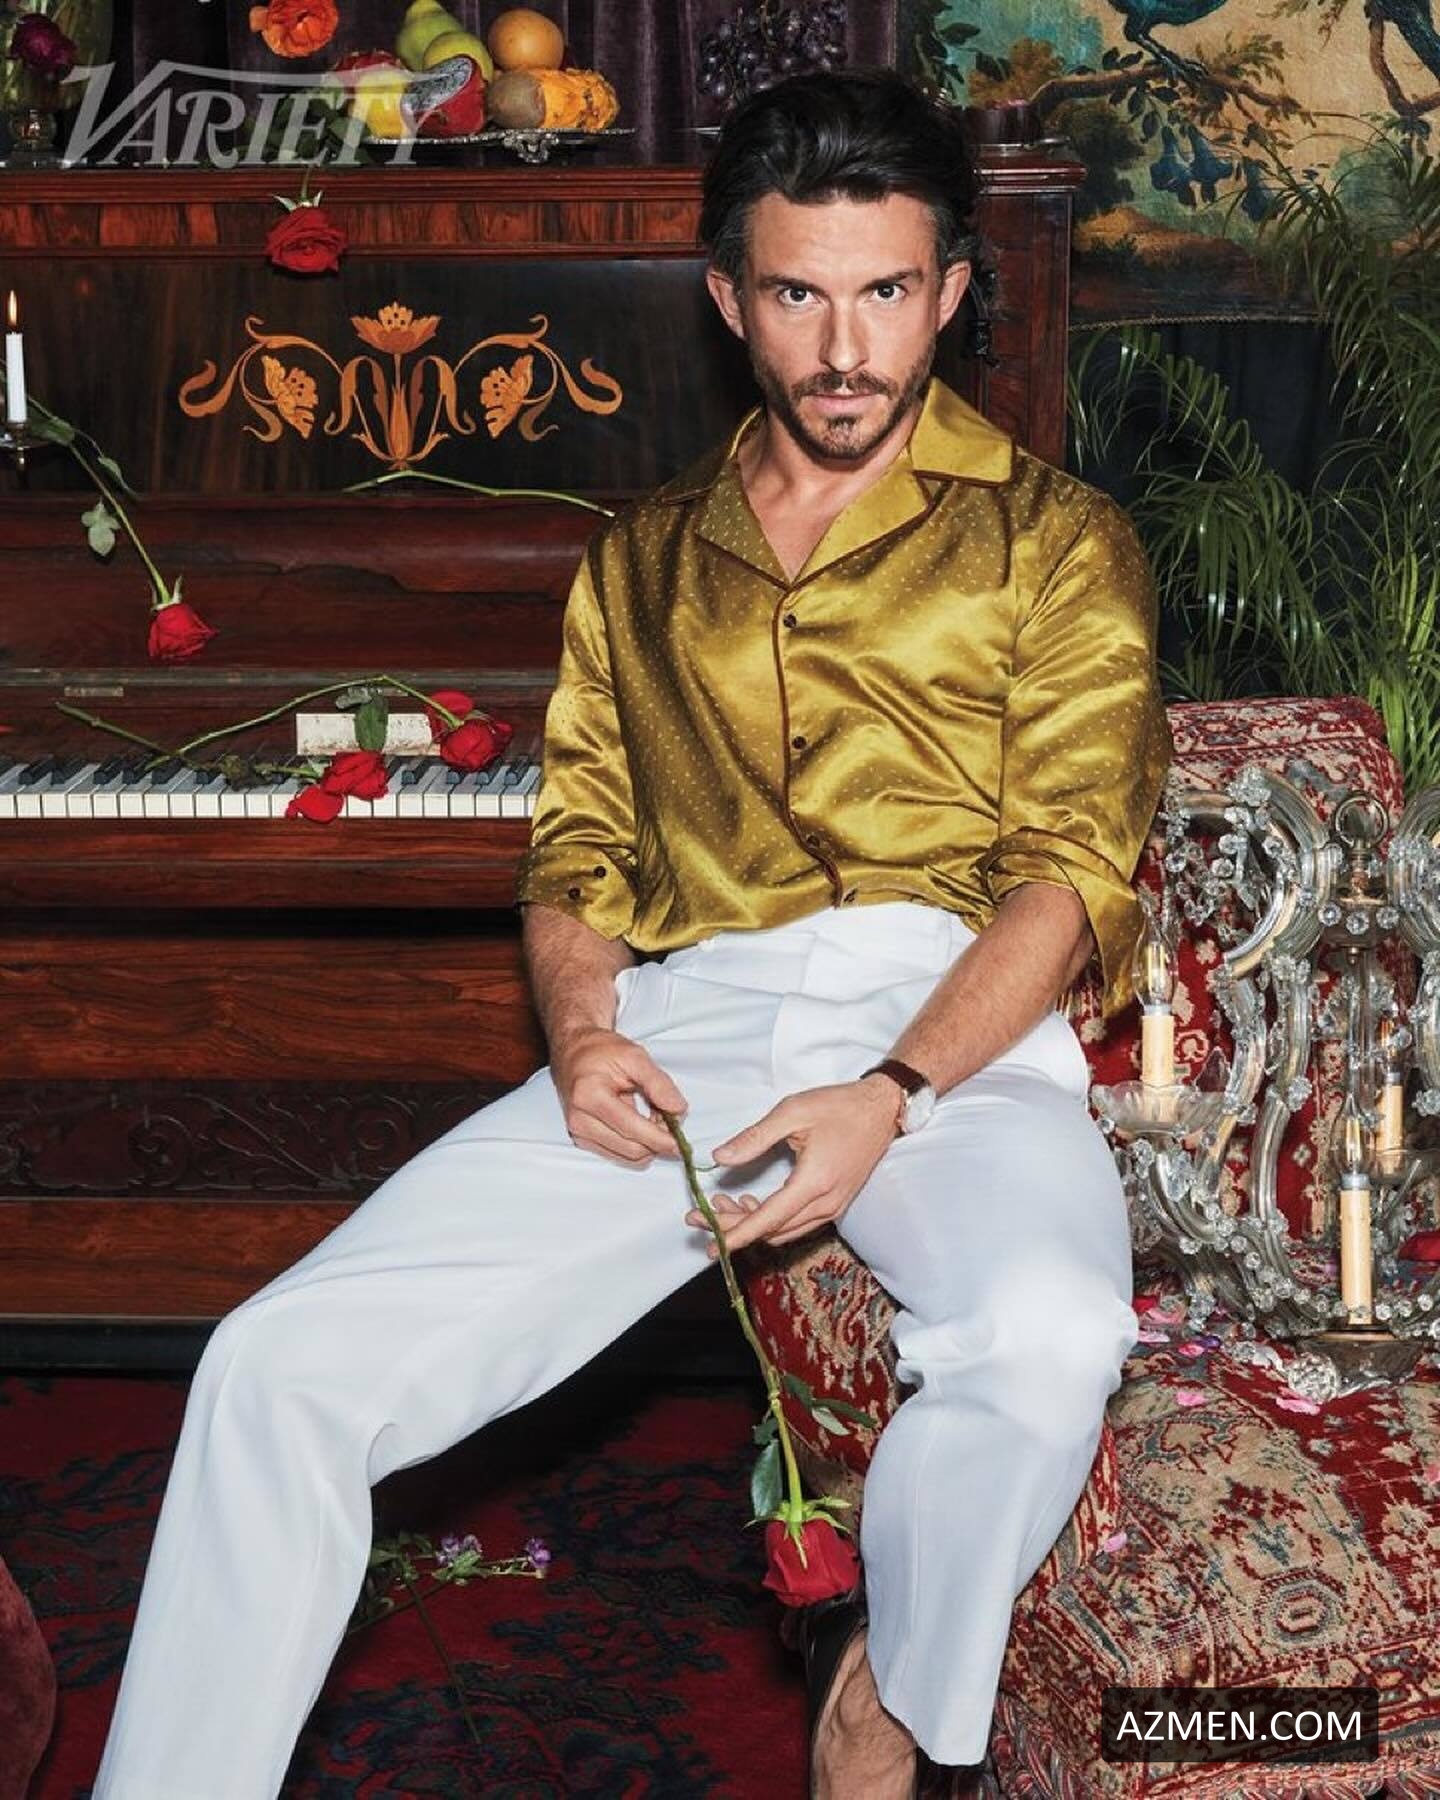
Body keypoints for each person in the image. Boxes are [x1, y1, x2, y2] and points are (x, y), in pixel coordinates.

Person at [94, 69, 1169, 1800]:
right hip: (695, 1023)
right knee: (274, 1367)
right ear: (729, 298)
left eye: (888, 292)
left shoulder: (1058, 541)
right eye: (799, 295)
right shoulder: (642, 556)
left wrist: (892, 1090)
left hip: (954, 1034)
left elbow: (1067, 876)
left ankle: (891, 1692)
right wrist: (587, 1026)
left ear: (952, 293)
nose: (845, 349)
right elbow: (579, 852)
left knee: (1048, 1335)